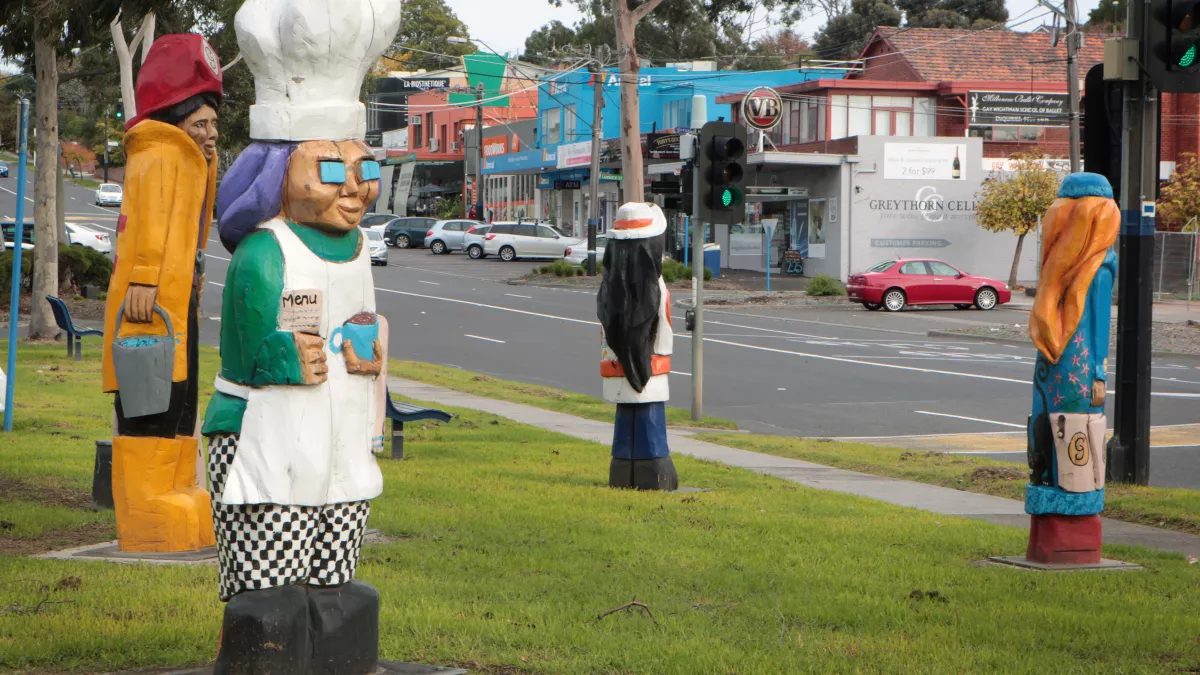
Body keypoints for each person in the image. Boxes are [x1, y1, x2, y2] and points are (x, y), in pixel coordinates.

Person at [101, 34, 222, 553]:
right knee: (148, 392)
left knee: (181, 394)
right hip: (149, 302)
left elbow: (194, 223)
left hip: (177, 302)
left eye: (215, 123)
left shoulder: (189, 158)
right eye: (201, 123)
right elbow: (146, 221)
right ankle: (146, 502)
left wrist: (208, 158)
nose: (211, 133)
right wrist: (145, 277)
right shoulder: (156, 154)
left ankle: (175, 484)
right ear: (175, 118)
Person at [596, 203, 678, 490]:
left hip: (617, 369)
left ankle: (622, 470)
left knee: (625, 429)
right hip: (651, 372)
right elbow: (665, 334)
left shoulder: (608, 287)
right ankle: (654, 471)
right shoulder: (656, 287)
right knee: (650, 426)